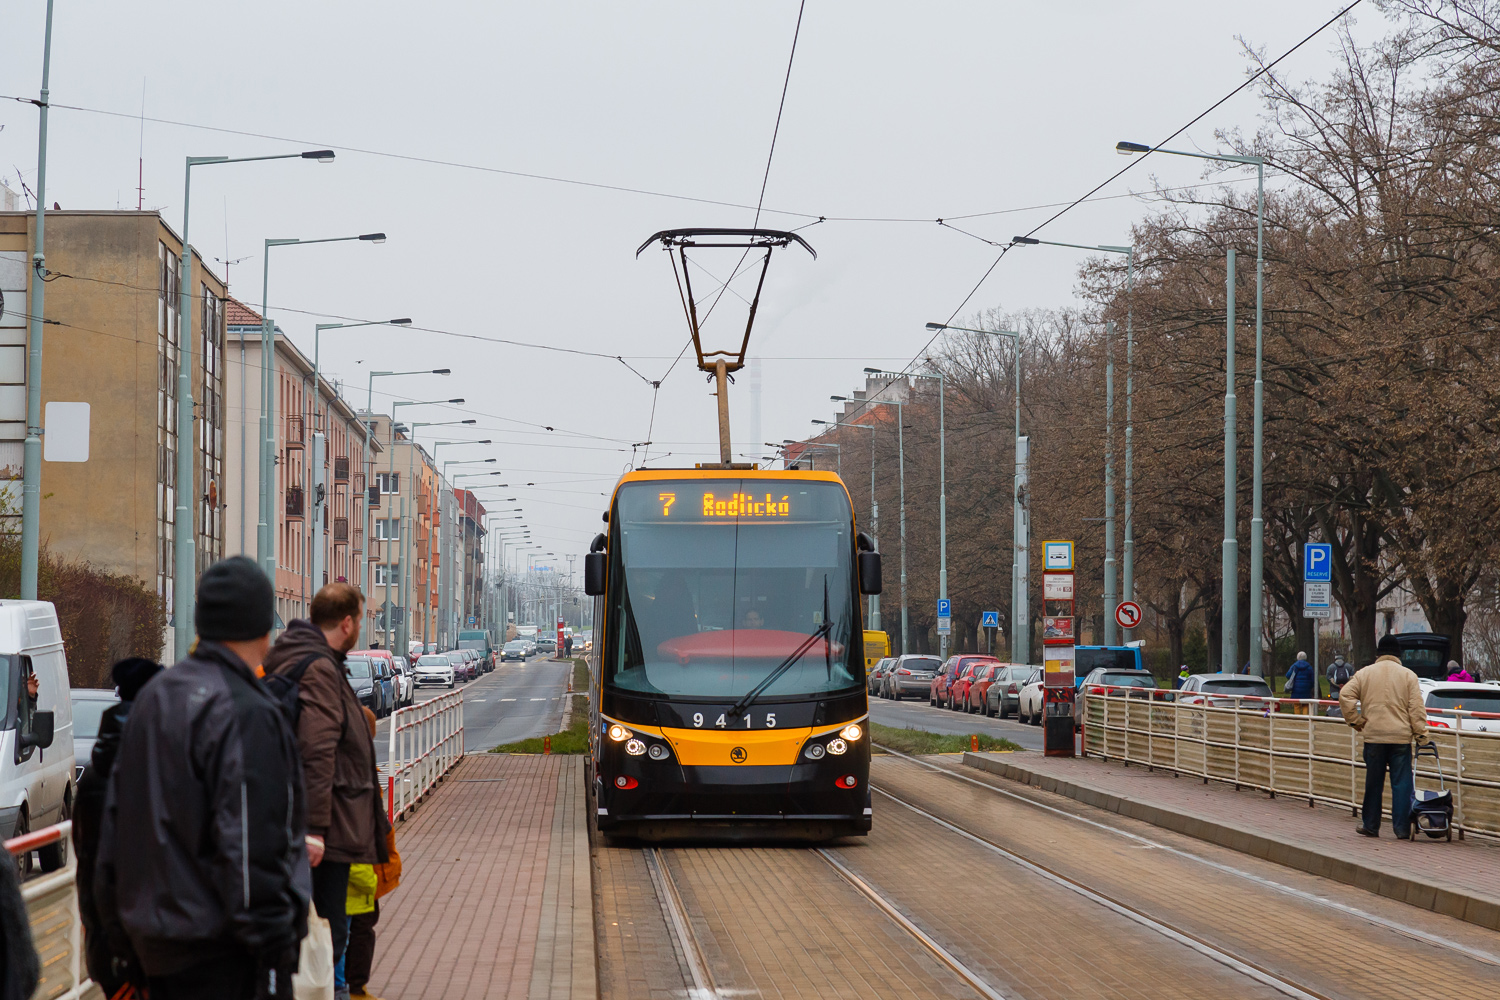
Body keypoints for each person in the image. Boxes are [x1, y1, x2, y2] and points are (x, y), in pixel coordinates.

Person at [95, 556, 307, 999]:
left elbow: (114, 825)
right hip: (227, 953)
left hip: (155, 945)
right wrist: (273, 953)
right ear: (264, 628)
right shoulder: (246, 711)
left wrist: (119, 939)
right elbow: (252, 844)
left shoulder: (154, 699)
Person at [265, 582, 390, 1000]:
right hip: (329, 829)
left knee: (318, 933)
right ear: (348, 622)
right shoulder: (318, 667)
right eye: (361, 619)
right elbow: (317, 749)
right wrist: (316, 828)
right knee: (328, 933)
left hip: (321, 822)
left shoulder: (305, 658)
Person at [73, 656, 162, 996]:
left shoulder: (97, 770)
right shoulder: (151, 764)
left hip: (106, 935)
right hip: (142, 941)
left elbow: (88, 855)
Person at [1339, 633, 1429, 839]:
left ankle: (1370, 825)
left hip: (1374, 737)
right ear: (1398, 653)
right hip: (1400, 738)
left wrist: (1356, 720)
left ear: (1378, 653)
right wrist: (1421, 736)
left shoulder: (1365, 674)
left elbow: (1345, 695)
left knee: (1374, 782)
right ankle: (1402, 828)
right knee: (1402, 784)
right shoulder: (1408, 676)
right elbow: (1416, 710)